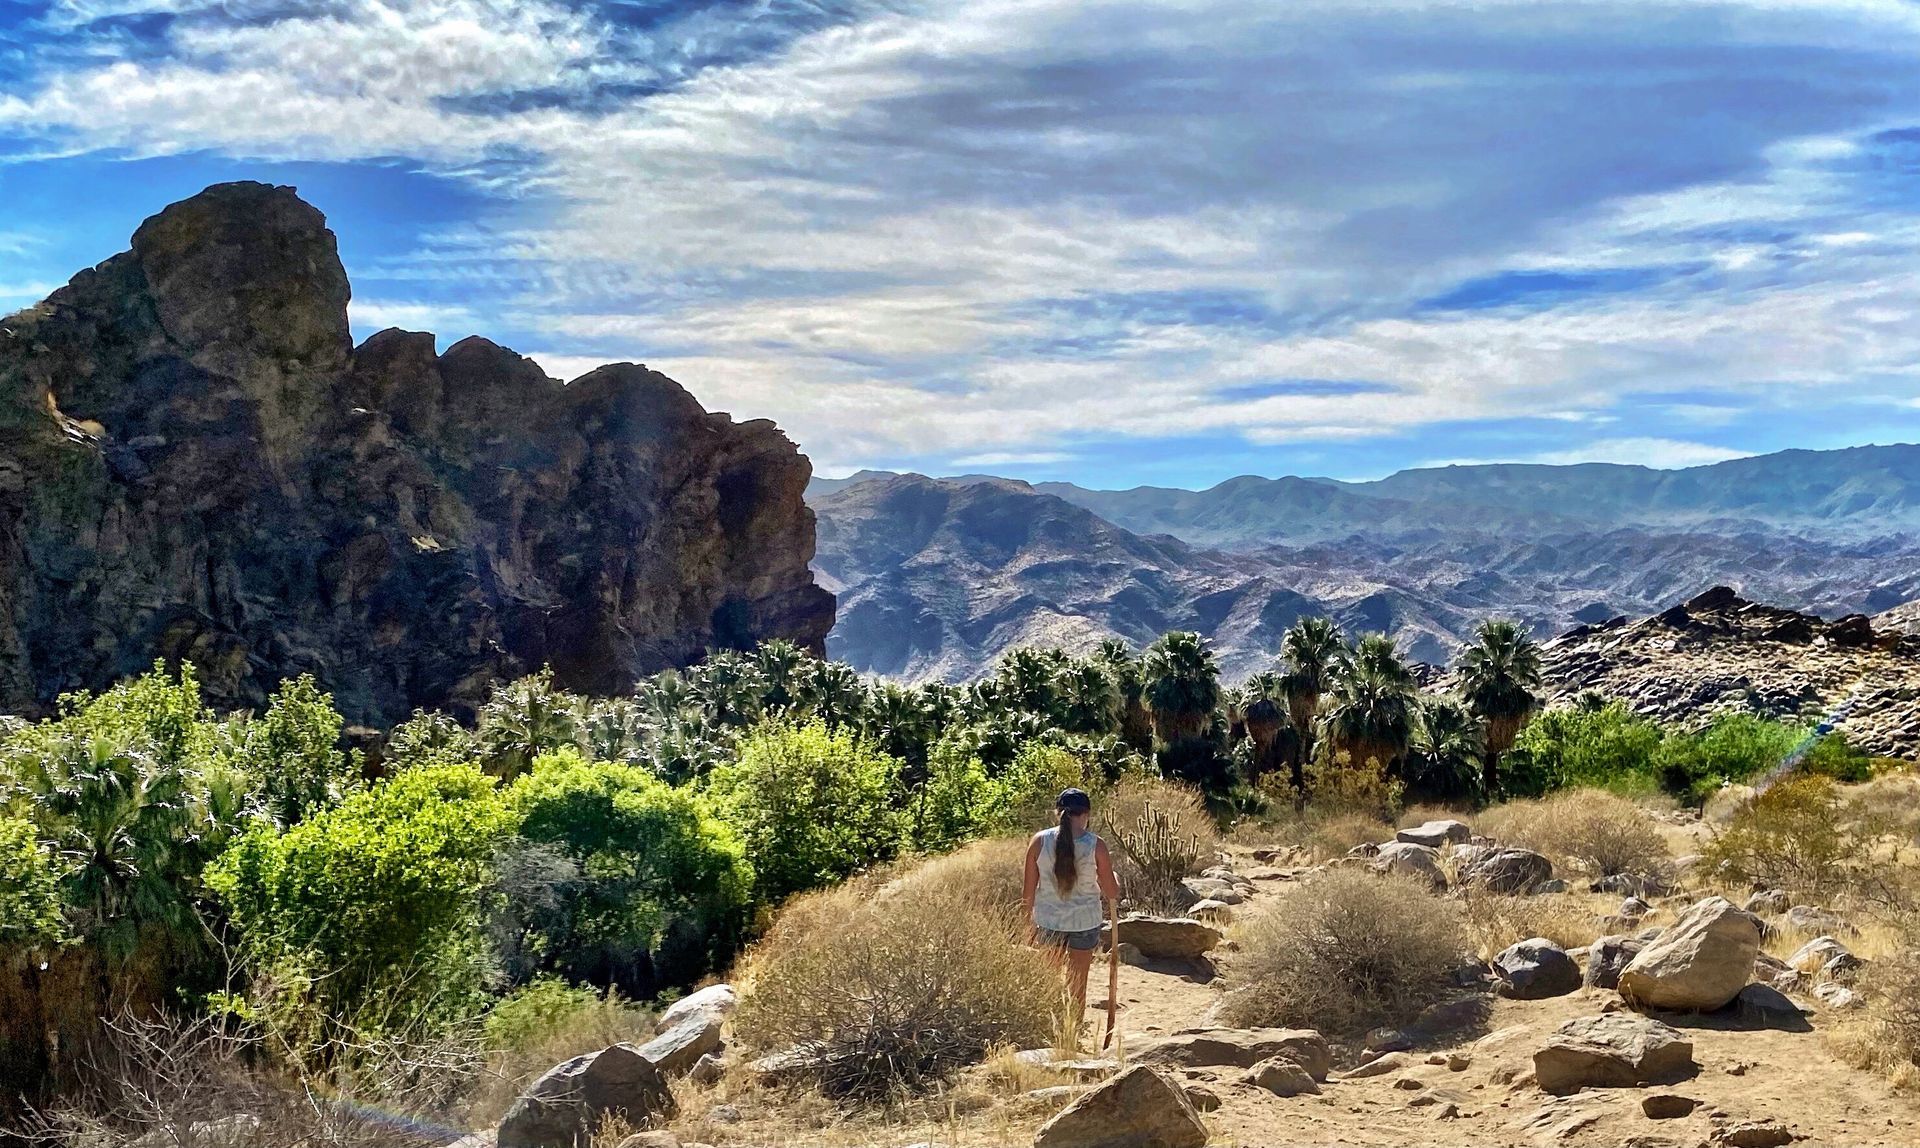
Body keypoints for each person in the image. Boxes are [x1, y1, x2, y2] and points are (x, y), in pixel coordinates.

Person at [1022, 787, 1120, 1010]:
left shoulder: (1039, 842)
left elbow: (1027, 893)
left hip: (1049, 921)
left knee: (1047, 980)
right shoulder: (1097, 845)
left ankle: (1047, 1025)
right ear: (1085, 815)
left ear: (1059, 813)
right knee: (1077, 984)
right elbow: (1112, 892)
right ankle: (1072, 1031)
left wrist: (1025, 925)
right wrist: (1115, 878)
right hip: (1084, 922)